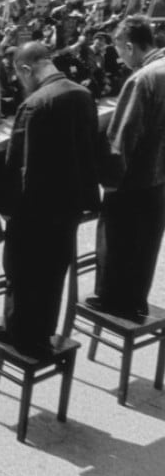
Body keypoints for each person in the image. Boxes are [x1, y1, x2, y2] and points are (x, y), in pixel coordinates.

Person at [0, 42, 100, 355]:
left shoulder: (36, 104)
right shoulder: (82, 94)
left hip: (35, 212)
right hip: (69, 205)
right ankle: (42, 331)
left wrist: (8, 210)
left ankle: (20, 334)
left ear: (26, 69)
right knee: (53, 273)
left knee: (23, 274)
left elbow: (18, 168)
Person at [93, 16, 165, 319]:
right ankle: (135, 300)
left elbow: (123, 137)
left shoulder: (142, 79)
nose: (120, 59)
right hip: (160, 179)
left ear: (130, 45)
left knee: (119, 245)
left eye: (120, 51)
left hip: (135, 181)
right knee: (146, 246)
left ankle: (115, 304)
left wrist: (108, 180)